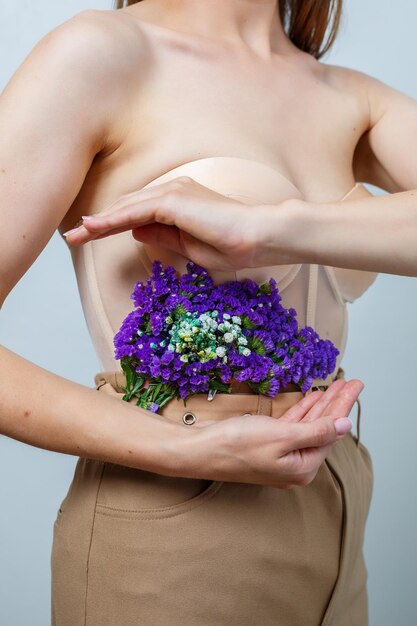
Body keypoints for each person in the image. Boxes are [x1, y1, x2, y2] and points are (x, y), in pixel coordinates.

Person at [1, 0, 416, 624]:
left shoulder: (350, 98)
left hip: (337, 511)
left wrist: (268, 227)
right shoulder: (101, 54)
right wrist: (187, 452)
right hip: (178, 527)